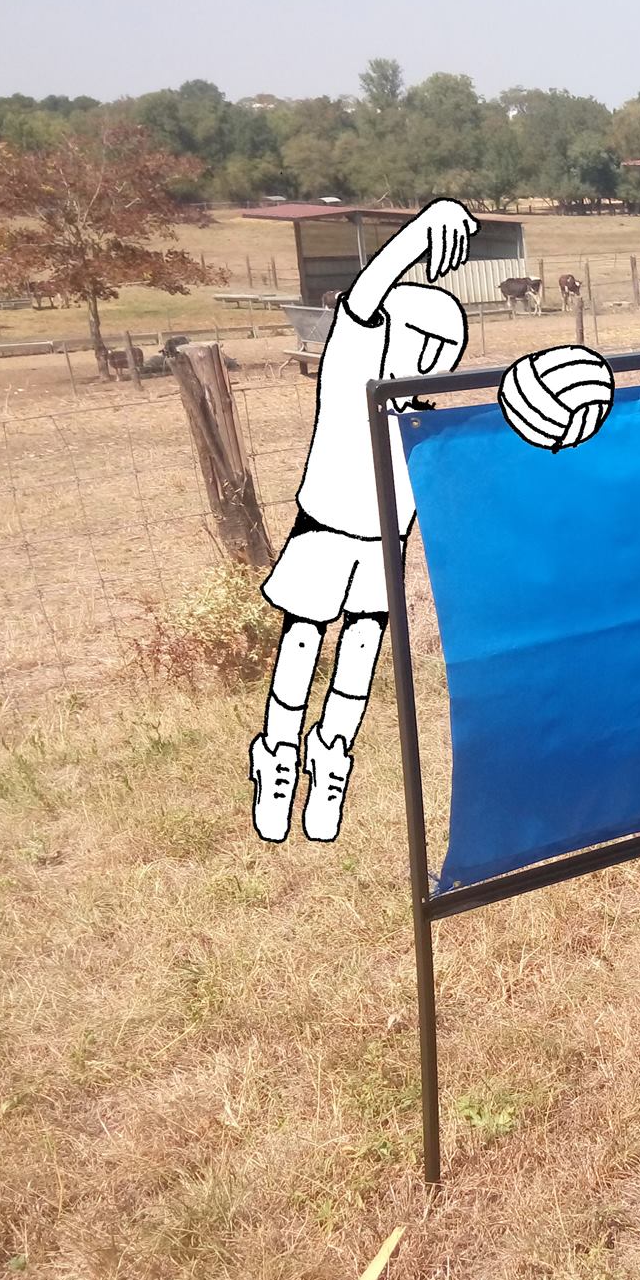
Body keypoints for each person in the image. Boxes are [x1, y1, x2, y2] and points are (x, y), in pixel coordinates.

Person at [250, 198, 479, 843]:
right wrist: (420, 232)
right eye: (422, 341)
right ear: (389, 329)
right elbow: (365, 294)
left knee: (360, 646)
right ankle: (277, 754)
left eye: (444, 349)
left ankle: (332, 758)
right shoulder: (353, 363)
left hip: (384, 545)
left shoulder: (425, 413)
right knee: (303, 636)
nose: (430, 358)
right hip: (326, 529)